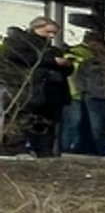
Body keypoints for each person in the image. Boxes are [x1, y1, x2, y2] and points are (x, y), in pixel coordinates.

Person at [2, 16, 63, 152]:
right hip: (23, 88)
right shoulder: (19, 42)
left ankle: (43, 152)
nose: (51, 36)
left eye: (54, 33)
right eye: (48, 32)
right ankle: (13, 150)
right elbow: (16, 57)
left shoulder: (50, 49)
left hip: (46, 92)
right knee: (19, 122)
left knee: (44, 126)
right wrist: (52, 61)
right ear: (36, 28)